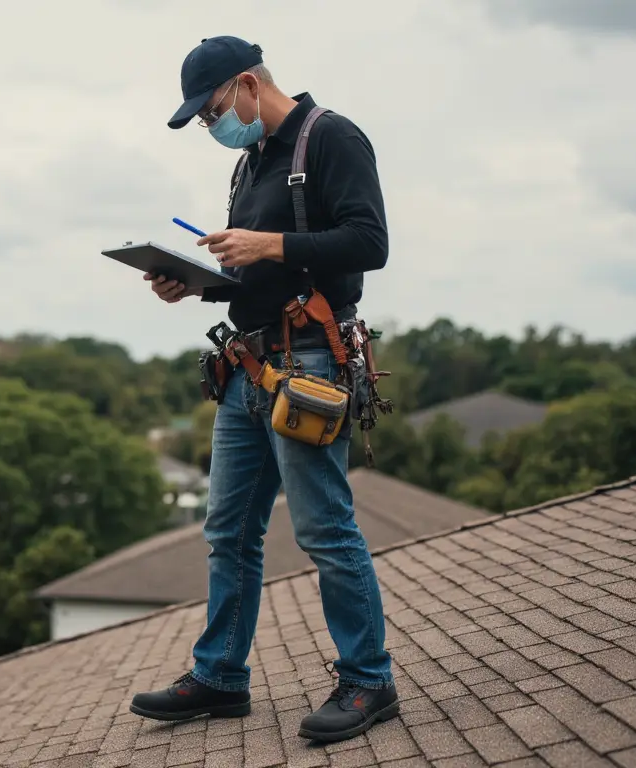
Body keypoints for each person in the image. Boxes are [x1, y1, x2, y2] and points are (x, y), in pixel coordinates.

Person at [127, 36, 398, 744]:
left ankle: (369, 679)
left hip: (308, 365)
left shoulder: (330, 138)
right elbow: (255, 280)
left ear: (248, 85)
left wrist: (267, 244)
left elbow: (370, 244)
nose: (214, 128)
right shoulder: (251, 162)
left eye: (213, 110)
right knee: (228, 531)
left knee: (323, 529)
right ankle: (219, 677)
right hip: (247, 370)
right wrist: (194, 285)